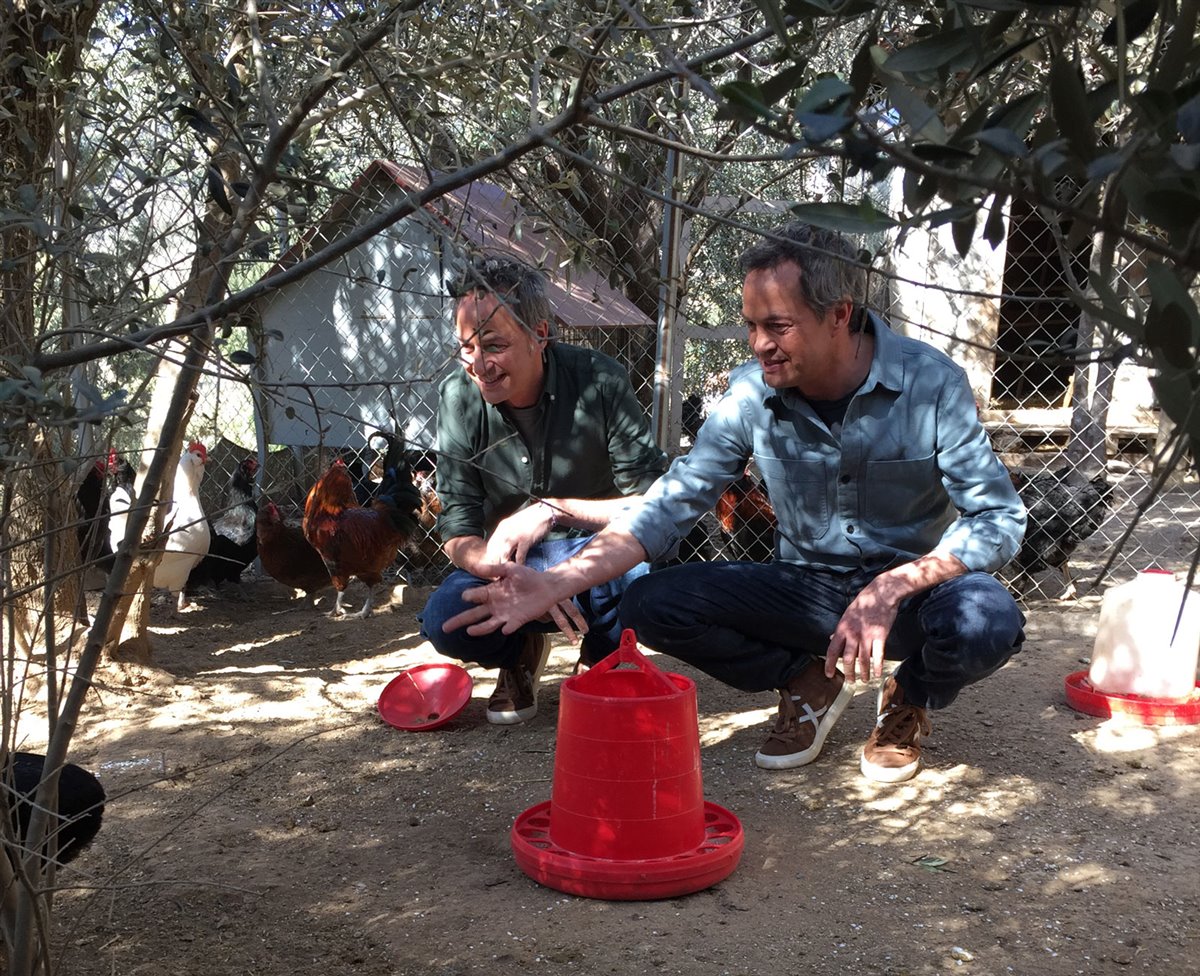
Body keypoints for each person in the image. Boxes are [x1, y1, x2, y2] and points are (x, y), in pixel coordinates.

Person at [443, 222, 1027, 783]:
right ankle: (805, 680)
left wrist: (895, 584)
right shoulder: (750, 394)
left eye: (777, 326)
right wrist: (557, 582)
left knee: (989, 620)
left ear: (840, 315)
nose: (759, 346)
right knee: (650, 603)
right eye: (750, 326)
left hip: (915, 594)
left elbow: (999, 519)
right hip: (808, 593)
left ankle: (910, 694)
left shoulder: (931, 384)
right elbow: (670, 502)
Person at [419, 255, 667, 725]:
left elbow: (655, 504)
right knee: (445, 616)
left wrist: (555, 511)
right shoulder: (457, 396)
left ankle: (605, 658)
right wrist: (509, 576)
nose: (477, 365)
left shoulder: (600, 380)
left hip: (597, 553)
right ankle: (517, 652)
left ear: (541, 334)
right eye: (464, 348)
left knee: (643, 585)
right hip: (508, 564)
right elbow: (456, 525)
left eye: (493, 345)